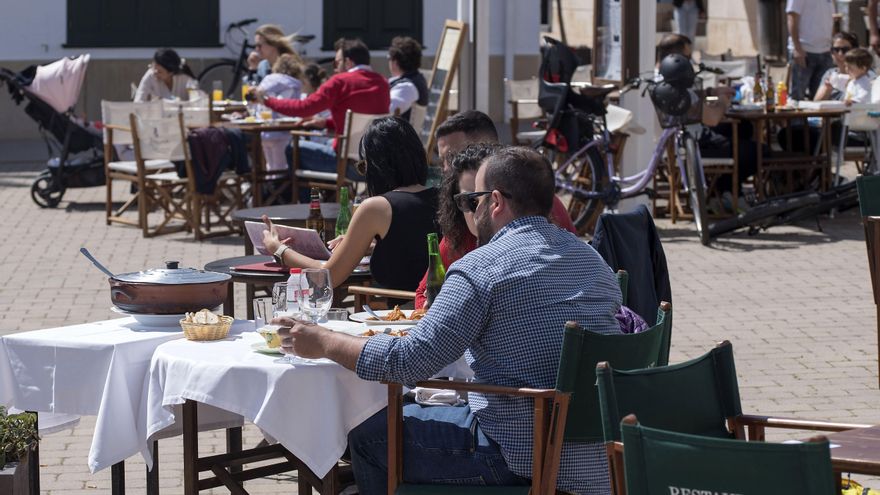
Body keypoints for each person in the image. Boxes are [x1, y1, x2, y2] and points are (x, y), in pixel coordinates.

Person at [274, 146, 623, 494]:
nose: (469, 210)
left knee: (366, 435)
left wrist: (322, 341)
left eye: (472, 201)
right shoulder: (593, 261)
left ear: (495, 202)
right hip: (601, 460)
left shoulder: (481, 268)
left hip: (520, 455)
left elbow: (410, 362)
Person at [262, 116, 438, 292]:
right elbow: (417, 249)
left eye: (364, 167)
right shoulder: (441, 196)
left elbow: (328, 277)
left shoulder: (376, 207)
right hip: (439, 308)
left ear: (378, 167)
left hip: (399, 314)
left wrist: (278, 249)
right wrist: (370, 245)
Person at [413, 141, 577, 307]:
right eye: (468, 201)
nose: (478, 210)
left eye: (483, 199)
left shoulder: (542, 239)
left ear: (499, 199)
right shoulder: (457, 239)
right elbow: (422, 293)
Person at [251, 38, 391, 197]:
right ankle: (330, 200)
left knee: (292, 149)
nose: (336, 68)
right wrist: (326, 122)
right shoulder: (383, 83)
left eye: (336, 63)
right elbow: (366, 121)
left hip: (347, 165)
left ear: (348, 62)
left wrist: (267, 100)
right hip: (376, 165)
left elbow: (303, 108)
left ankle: (306, 208)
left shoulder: (340, 82)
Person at [655, 34, 758, 211]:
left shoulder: (660, 79)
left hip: (676, 139)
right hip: (690, 142)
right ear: (676, 58)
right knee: (756, 151)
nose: (690, 63)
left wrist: (712, 91)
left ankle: (725, 191)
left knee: (744, 128)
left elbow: (694, 100)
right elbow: (712, 118)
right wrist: (723, 103)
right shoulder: (673, 86)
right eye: (687, 58)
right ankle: (723, 191)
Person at [258, 54, 304, 173]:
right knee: (281, 168)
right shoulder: (291, 85)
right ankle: (280, 191)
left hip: (263, 130)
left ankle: (271, 190)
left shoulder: (267, 81)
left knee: (270, 166)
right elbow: (284, 109)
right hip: (282, 132)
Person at [786, 0, 834, 100]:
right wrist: (797, 48)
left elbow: (830, 19)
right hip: (804, 51)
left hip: (825, 51)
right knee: (797, 98)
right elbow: (792, 17)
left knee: (821, 100)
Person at [387, 36, 429, 121]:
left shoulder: (407, 87)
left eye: (389, 58)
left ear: (395, 62)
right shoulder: (415, 79)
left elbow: (387, 112)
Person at [814, 31, 862, 102]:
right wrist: (827, 89)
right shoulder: (830, 73)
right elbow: (816, 102)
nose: (840, 54)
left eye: (845, 50)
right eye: (836, 50)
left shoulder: (865, 74)